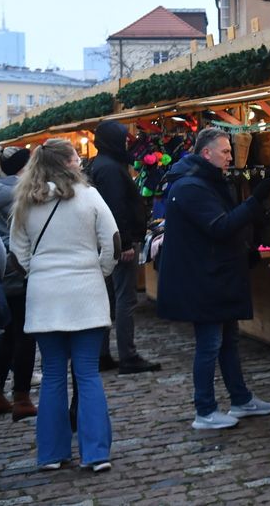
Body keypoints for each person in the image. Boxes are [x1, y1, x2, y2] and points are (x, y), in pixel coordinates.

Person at [157, 127, 270, 430]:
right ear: (206, 153)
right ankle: (205, 410)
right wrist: (255, 203)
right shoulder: (190, 188)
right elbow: (220, 226)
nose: (230, 157)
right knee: (210, 344)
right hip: (204, 280)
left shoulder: (205, 182)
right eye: (225, 152)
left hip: (216, 276)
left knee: (227, 341)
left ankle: (240, 399)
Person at [9, 139, 119, 472]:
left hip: (45, 296)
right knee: (87, 374)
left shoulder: (26, 202)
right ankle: (96, 453)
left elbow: (18, 253)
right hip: (85, 293)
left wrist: (41, 273)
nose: (80, 163)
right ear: (65, 164)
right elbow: (112, 243)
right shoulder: (90, 197)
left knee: (54, 375)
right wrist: (96, 272)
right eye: (75, 158)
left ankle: (51, 454)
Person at [88, 121, 160, 375]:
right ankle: (127, 356)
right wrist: (126, 242)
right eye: (122, 138)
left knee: (110, 299)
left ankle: (103, 354)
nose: (126, 142)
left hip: (112, 241)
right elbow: (115, 207)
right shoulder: (109, 168)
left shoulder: (105, 163)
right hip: (118, 242)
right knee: (124, 299)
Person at [0, 144, 36, 420]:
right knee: (25, 334)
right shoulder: (21, 195)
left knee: (7, 334)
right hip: (18, 270)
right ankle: (22, 397)